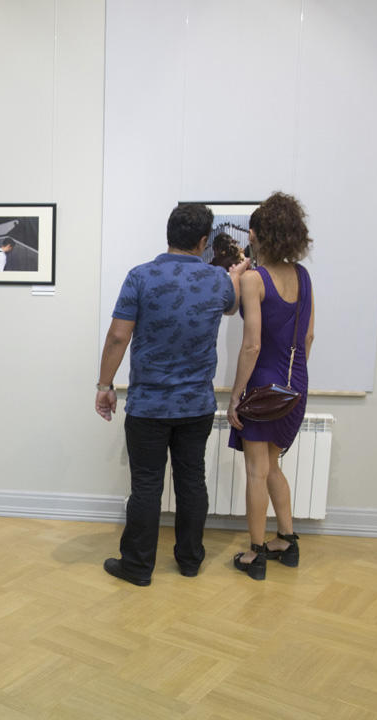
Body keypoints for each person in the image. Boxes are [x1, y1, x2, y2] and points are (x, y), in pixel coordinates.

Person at [95, 202, 245, 586]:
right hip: (196, 405)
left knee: (146, 485)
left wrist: (104, 385)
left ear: (169, 235)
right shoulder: (217, 282)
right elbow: (230, 309)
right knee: (192, 480)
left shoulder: (140, 277)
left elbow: (117, 335)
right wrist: (236, 274)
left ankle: (138, 567)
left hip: (149, 405)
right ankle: (190, 561)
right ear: (202, 241)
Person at [227, 192, 315, 580]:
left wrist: (235, 398)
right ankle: (287, 540)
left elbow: (252, 344)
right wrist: (291, 381)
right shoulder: (303, 276)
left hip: (262, 383)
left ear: (258, 234)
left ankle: (256, 553)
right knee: (274, 464)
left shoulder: (253, 279)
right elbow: (309, 337)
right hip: (296, 381)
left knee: (255, 470)